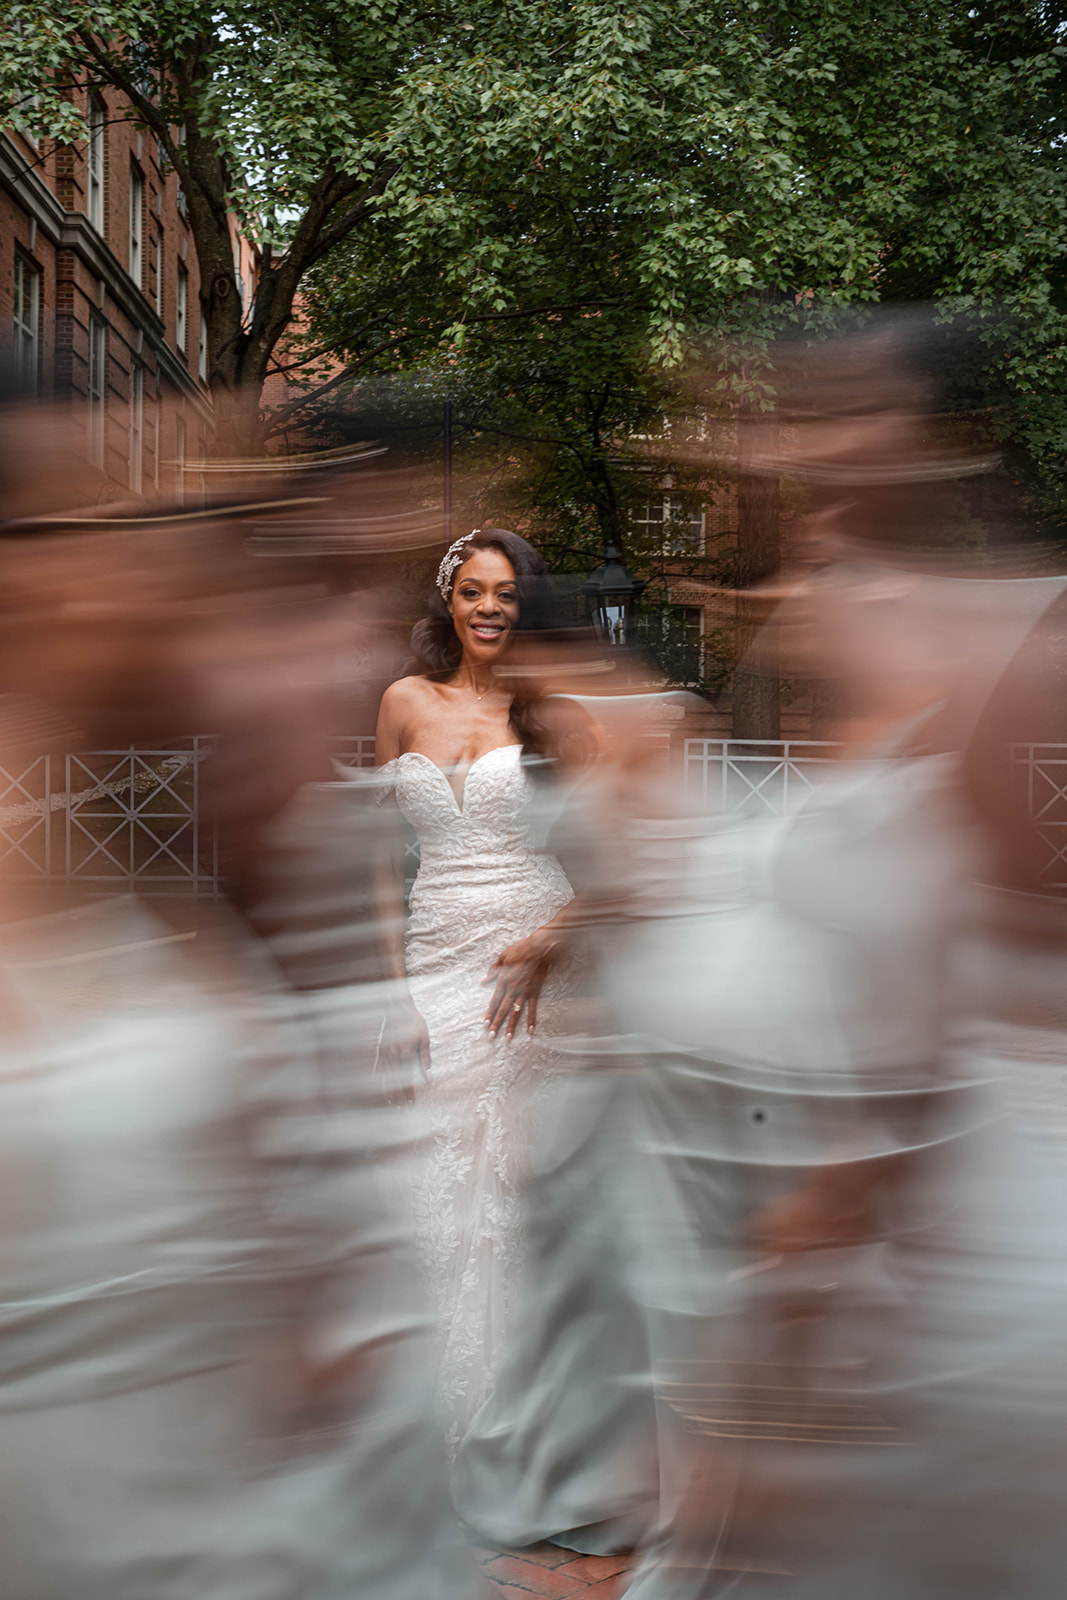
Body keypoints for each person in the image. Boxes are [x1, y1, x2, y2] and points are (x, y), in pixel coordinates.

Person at [371, 527, 587, 1457]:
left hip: (526, 966)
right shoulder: (402, 702)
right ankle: (431, 1404)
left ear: (525, 606)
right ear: (446, 601)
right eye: (472, 590)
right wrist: (393, 990)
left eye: (505, 593)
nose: (488, 607)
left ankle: (520, 1417)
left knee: (508, 1177)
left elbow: (621, 861)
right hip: (431, 959)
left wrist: (552, 939)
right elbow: (379, 855)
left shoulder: (557, 714)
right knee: (430, 1169)